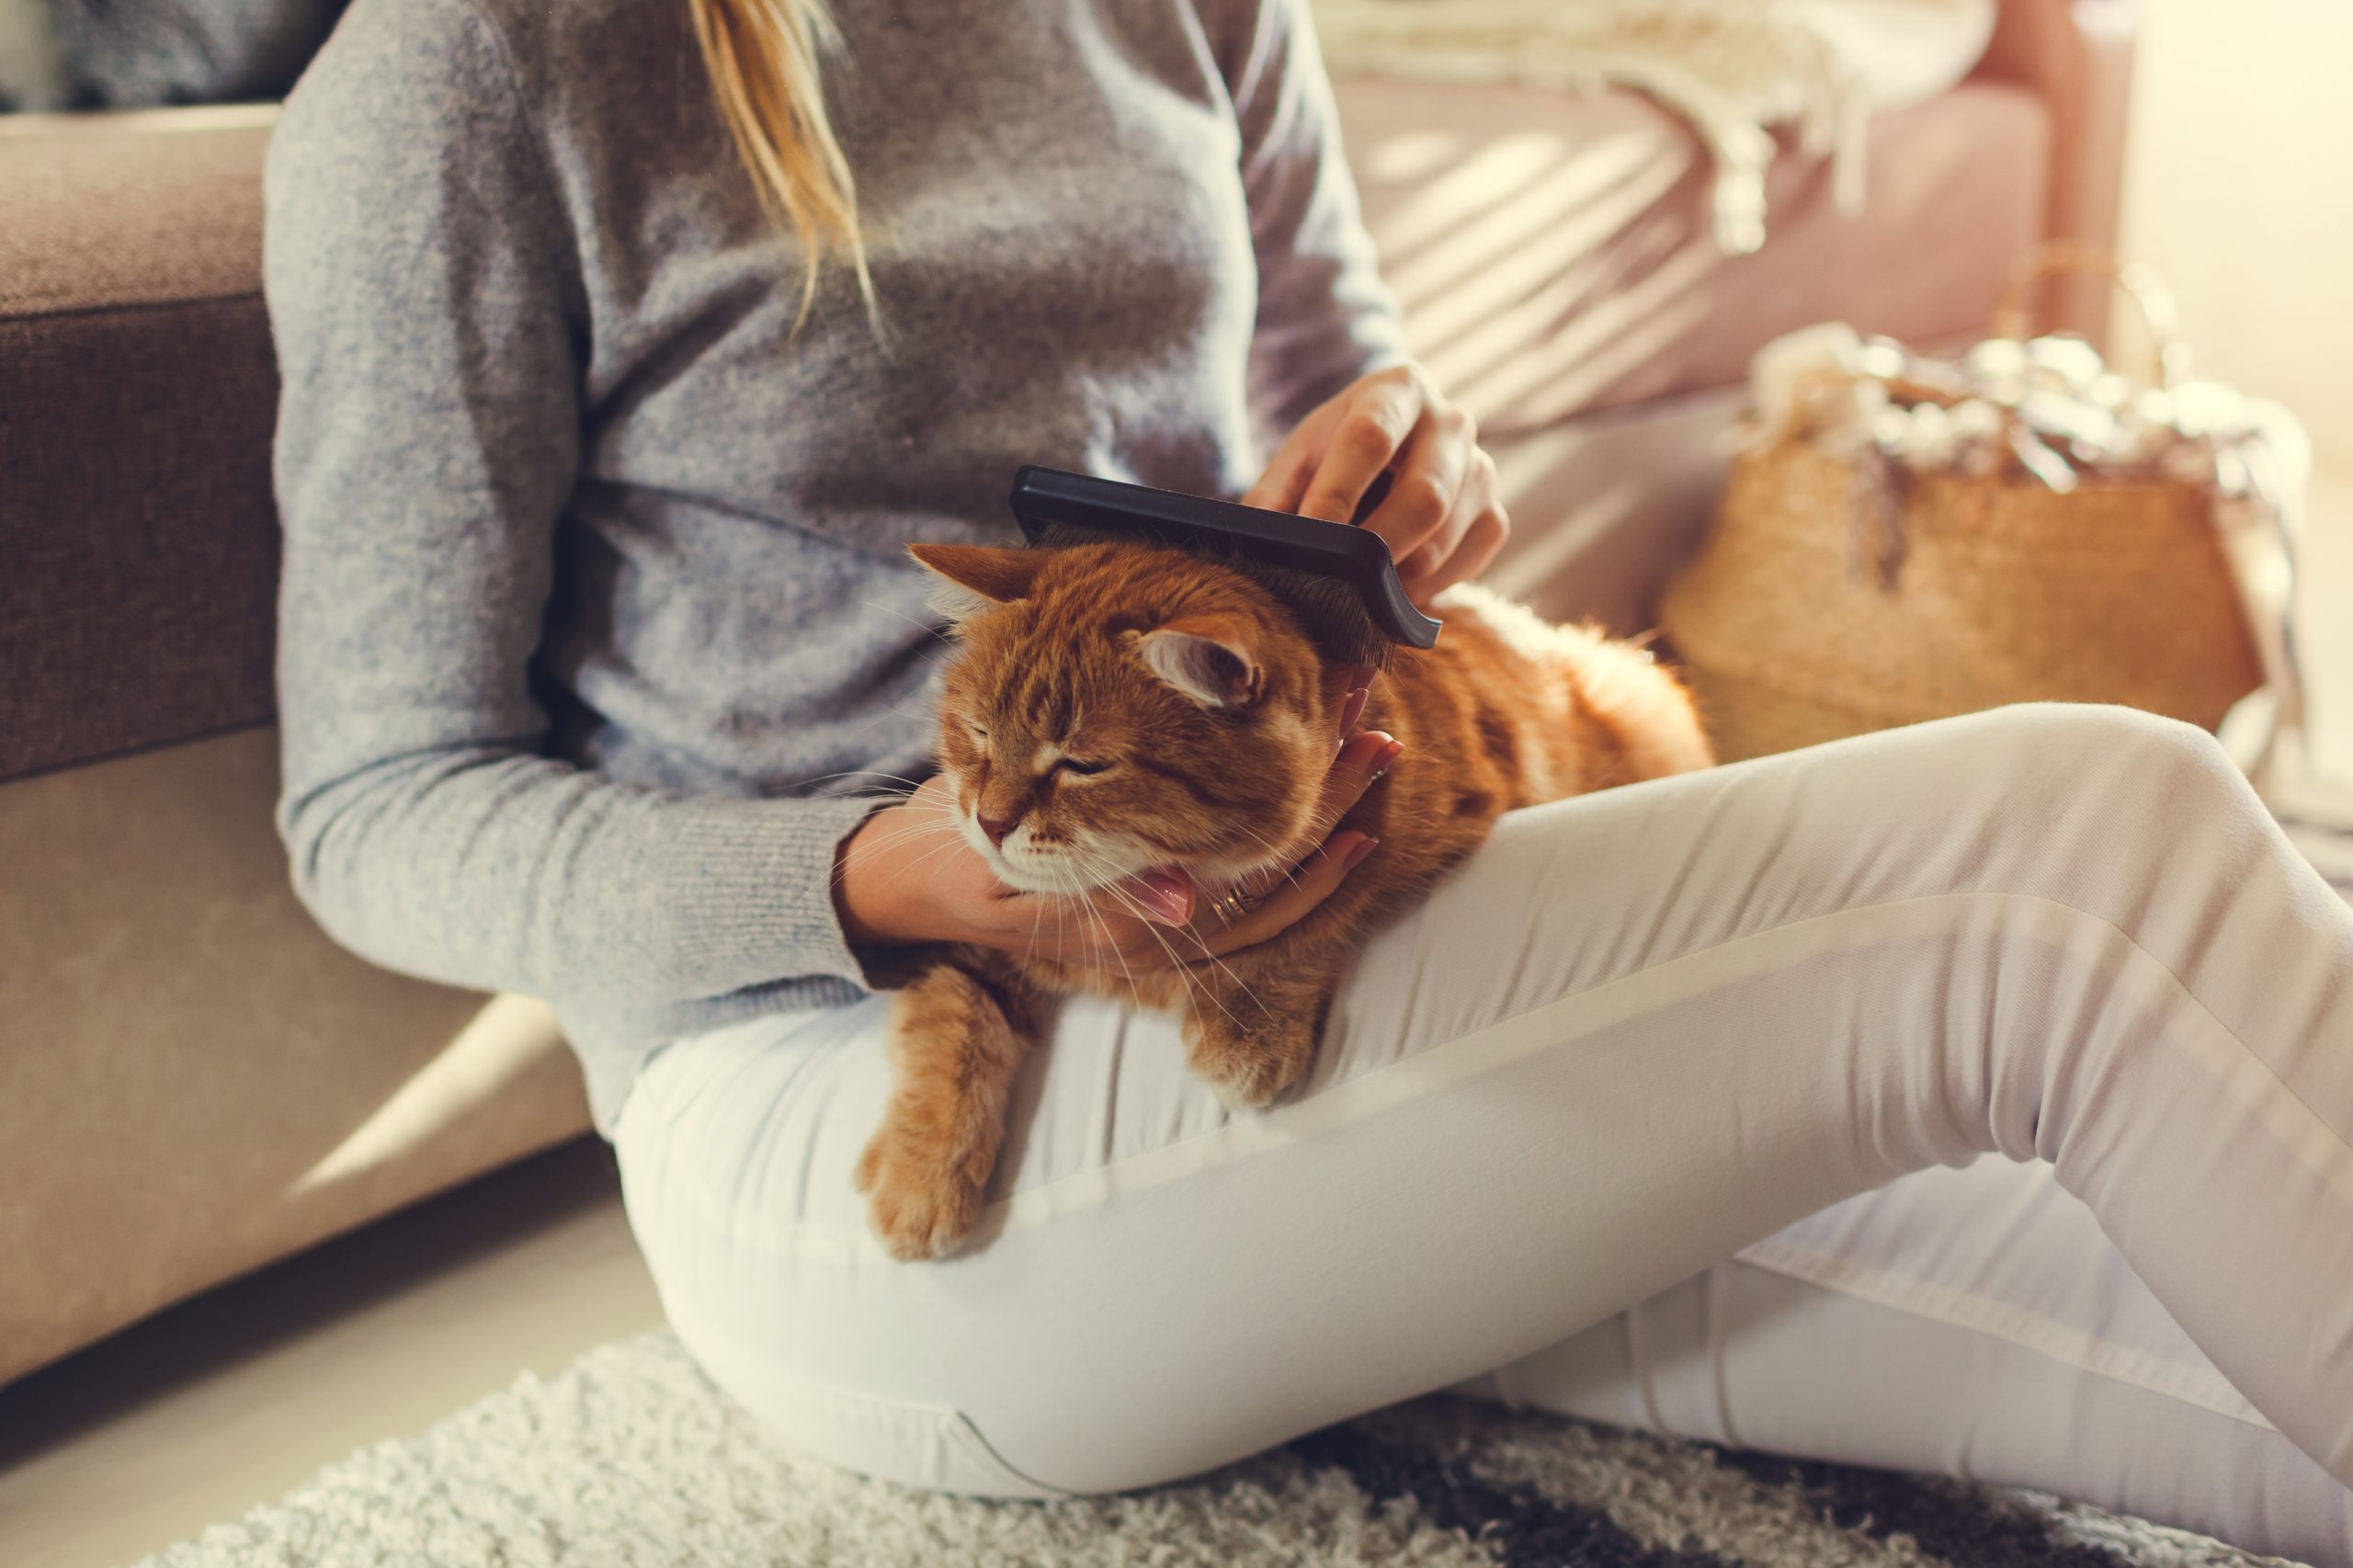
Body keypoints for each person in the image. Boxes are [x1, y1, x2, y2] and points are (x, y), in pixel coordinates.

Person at [258, 0, 2353, 1558]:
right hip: (855, 1128)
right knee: (2093, 859)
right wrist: (898, 876)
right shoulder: (472, 71)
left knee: (2146, 1258)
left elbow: (1342, 389)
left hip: (1283, 974)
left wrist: (1418, 472)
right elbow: (378, 807)